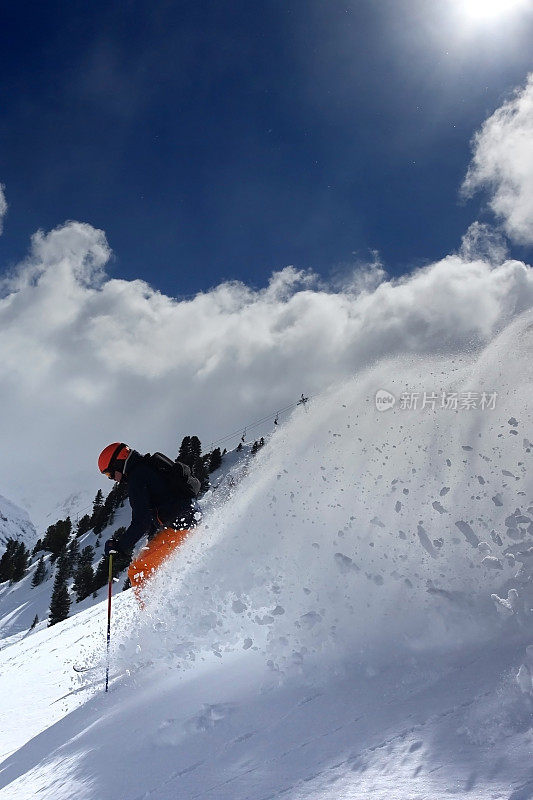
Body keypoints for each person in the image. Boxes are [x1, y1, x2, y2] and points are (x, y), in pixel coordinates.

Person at [98, 442, 201, 597]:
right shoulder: (147, 466)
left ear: (118, 463)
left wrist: (120, 547)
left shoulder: (137, 477)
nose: (112, 479)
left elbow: (142, 520)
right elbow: (160, 507)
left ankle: (155, 618)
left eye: (109, 474)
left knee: (138, 571)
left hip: (180, 526)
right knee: (163, 567)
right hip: (189, 518)